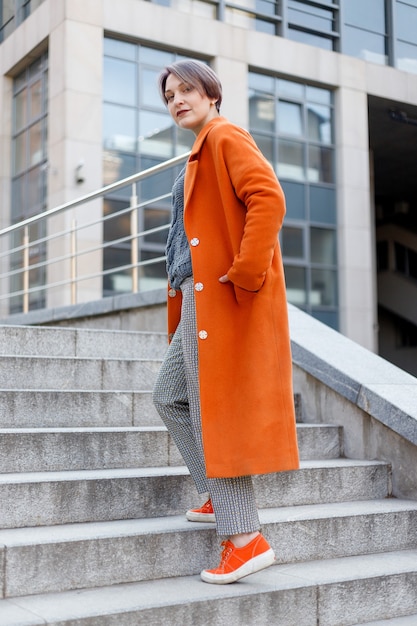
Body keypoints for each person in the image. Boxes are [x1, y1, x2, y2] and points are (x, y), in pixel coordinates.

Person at [153, 59, 299, 585]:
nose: (177, 100)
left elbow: (268, 199)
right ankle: (220, 497)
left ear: (212, 94)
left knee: (211, 409)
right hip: (198, 298)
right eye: (170, 95)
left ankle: (245, 540)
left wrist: (243, 277)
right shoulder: (199, 149)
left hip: (220, 296)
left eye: (187, 90)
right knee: (170, 395)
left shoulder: (224, 135)